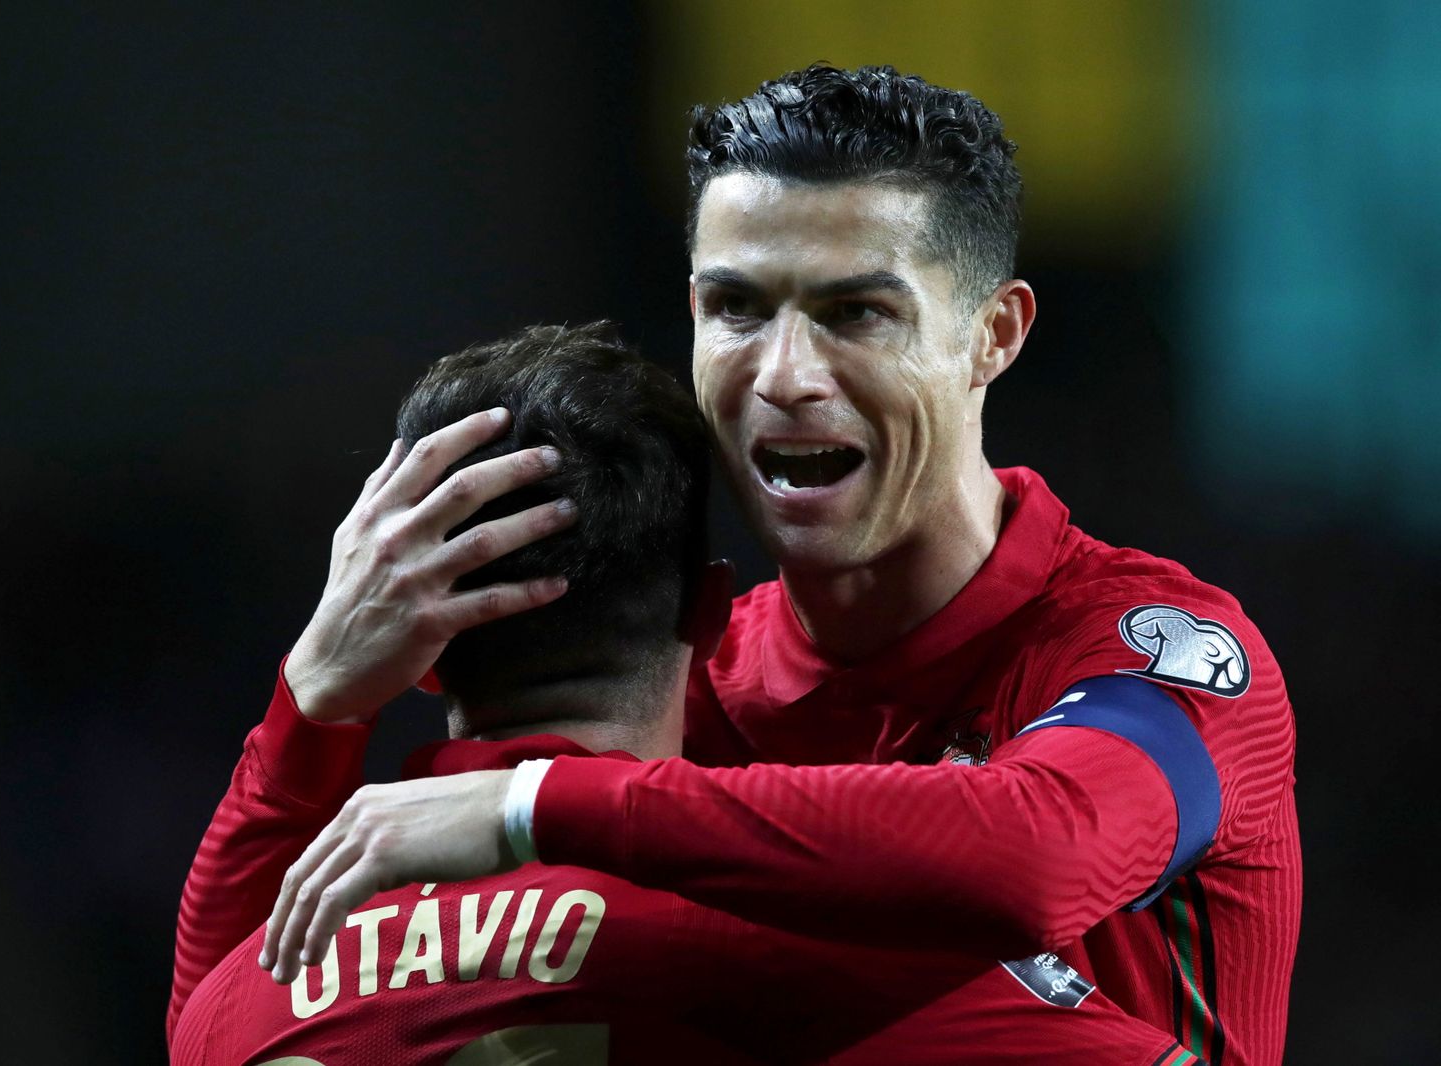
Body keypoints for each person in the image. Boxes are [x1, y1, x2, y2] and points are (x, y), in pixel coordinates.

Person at [260, 67, 1300, 1065]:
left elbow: (1038, 858)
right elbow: (245, 1016)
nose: (786, 375)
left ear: (992, 334)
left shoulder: (1149, 654)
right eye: (738, 308)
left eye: (856, 314)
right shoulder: (681, 691)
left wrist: (532, 805)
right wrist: (311, 707)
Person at [171, 323, 1200, 1064]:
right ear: (712, 615)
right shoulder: (802, 947)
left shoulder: (247, 997)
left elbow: (197, 1021)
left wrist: (312, 703)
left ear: (422, 655)